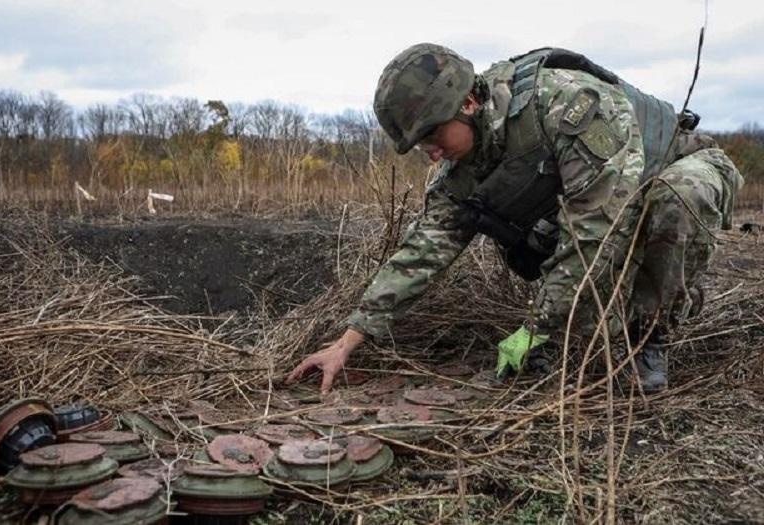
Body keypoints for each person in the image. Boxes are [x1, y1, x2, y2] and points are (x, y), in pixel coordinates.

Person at [286, 44, 744, 394]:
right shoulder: (458, 175)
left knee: (679, 197)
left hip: (674, 168)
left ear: (467, 103)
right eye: (419, 144)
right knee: (540, 237)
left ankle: (649, 335)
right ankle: (584, 327)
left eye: (432, 134)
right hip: (603, 205)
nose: (432, 153)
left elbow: (596, 236)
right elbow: (420, 254)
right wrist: (347, 341)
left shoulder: (566, 105)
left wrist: (536, 331)